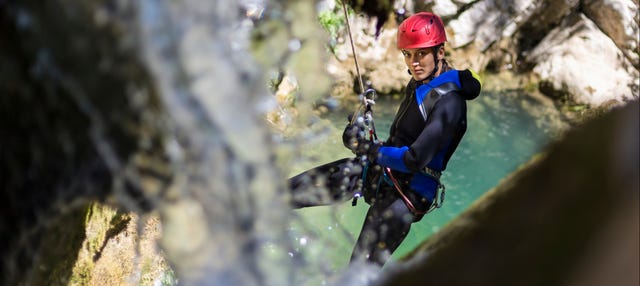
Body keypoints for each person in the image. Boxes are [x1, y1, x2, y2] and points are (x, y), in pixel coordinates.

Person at [289, 11, 482, 266]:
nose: (414, 62)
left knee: (357, 274)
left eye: (421, 53)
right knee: (290, 192)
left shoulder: (450, 103)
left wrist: (367, 148)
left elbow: (414, 158)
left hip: (407, 196)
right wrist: (361, 137)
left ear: (440, 52)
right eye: (408, 54)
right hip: (383, 172)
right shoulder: (419, 83)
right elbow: (400, 140)